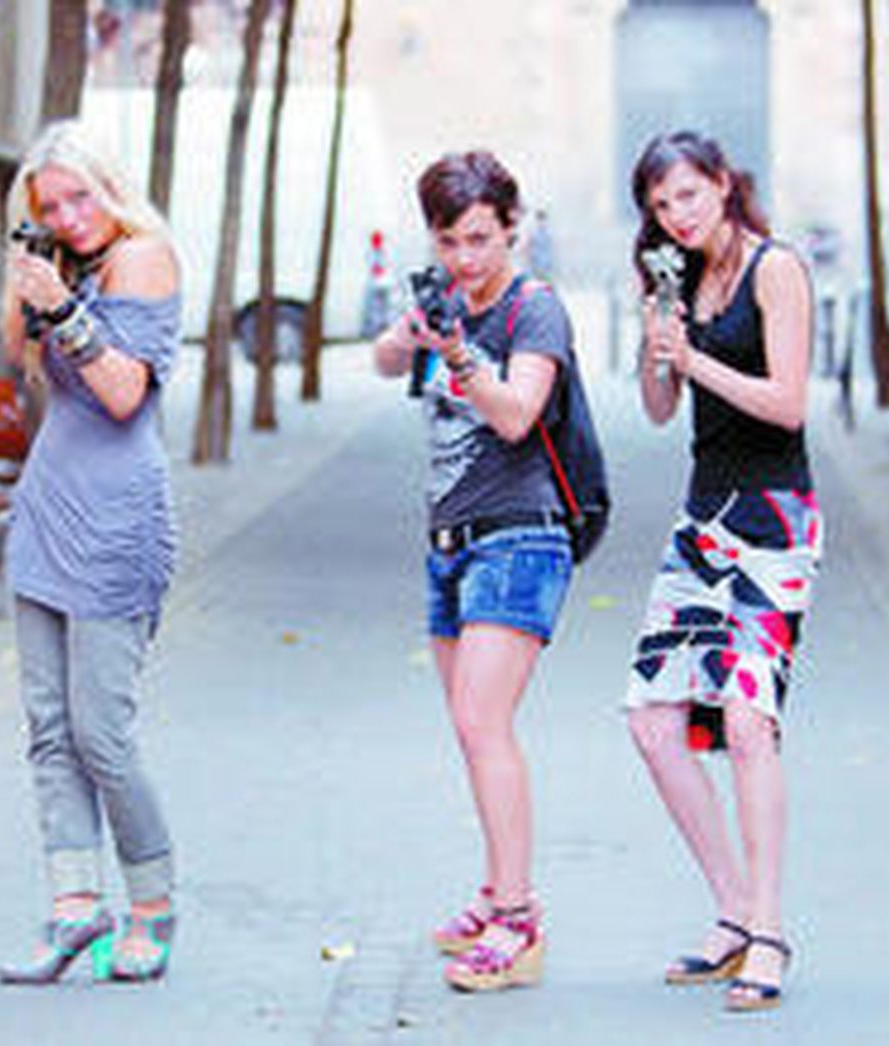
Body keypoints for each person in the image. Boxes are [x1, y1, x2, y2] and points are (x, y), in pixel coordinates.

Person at [626, 130, 823, 1012]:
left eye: (689, 196)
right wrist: (657, 340)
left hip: (775, 519)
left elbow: (787, 405)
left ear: (723, 186)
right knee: (655, 721)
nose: (677, 215)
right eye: (662, 206)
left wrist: (699, 358)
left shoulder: (773, 270)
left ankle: (770, 928)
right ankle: (733, 910)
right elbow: (662, 409)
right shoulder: (679, 281)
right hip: (701, 520)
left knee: (748, 723)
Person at [372, 151, 577, 992]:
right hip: (450, 544)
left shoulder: (537, 311)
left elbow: (519, 415)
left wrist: (460, 355)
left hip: (521, 538)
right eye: (452, 241)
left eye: (483, 239)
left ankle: (520, 921)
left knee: (482, 722)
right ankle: (496, 895)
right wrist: (414, 331)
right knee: (470, 728)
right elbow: (386, 363)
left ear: (512, 229)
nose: (467, 258)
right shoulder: (448, 300)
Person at [0, 121, 181, 986]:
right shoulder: (61, 266)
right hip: (46, 511)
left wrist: (65, 307)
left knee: (100, 730)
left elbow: (121, 392)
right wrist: (28, 288)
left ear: (111, 186)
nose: (69, 218)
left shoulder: (144, 257)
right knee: (47, 730)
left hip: (116, 520)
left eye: (80, 197)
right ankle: (74, 907)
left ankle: (152, 904)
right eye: (49, 209)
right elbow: (22, 367)